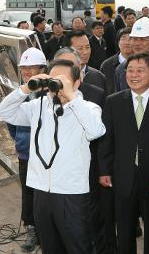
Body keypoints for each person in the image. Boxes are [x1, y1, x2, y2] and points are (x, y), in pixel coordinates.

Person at [0, 59, 105, 254]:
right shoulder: (38, 106)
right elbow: (3, 112)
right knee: (50, 247)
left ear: (77, 82)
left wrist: (71, 97)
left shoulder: (88, 108)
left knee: (79, 247)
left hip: (71, 192)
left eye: (62, 80)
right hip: (40, 191)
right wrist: (25, 88)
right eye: (53, 80)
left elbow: (96, 130)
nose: (57, 85)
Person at [98, 53, 149, 254]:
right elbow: (106, 140)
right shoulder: (113, 101)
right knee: (125, 228)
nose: (134, 75)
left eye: (140, 70)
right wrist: (104, 170)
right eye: (130, 70)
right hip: (122, 176)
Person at [54, 47, 107, 254]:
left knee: (90, 221)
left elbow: (103, 135)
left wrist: (104, 169)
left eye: (71, 68)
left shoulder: (96, 94)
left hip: (88, 169)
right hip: (55, 176)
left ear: (79, 74)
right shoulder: (44, 97)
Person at [7, 48, 47, 252]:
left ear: (43, 68)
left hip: (49, 156)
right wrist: (22, 141)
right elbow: (10, 123)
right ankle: (31, 229)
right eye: (25, 69)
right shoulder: (19, 94)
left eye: (32, 68)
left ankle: (47, 232)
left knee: (46, 195)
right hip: (27, 153)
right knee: (28, 193)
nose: (29, 72)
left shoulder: (52, 91)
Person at [100, 27, 133, 96]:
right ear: (118, 43)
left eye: (130, 39)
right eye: (123, 38)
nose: (127, 42)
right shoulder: (106, 65)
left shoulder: (142, 63)